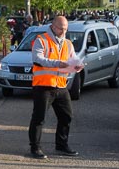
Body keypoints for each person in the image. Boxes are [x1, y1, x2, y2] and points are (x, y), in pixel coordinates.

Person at [28, 15, 81, 159]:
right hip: (44, 86)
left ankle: (62, 145)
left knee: (66, 116)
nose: (63, 32)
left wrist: (77, 66)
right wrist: (57, 63)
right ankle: (35, 148)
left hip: (61, 86)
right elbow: (37, 59)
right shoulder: (41, 40)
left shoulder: (68, 43)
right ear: (53, 25)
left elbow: (73, 58)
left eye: (65, 29)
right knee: (39, 118)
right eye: (61, 29)